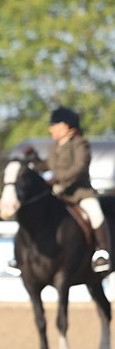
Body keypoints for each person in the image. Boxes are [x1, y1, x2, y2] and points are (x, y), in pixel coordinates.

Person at [46, 106, 110, 273]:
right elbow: (47, 165)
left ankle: (102, 252)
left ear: (65, 126)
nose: (50, 129)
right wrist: (33, 161)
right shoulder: (54, 147)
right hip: (59, 194)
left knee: (95, 213)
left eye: (54, 125)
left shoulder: (80, 144)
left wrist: (59, 181)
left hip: (80, 193)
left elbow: (79, 168)